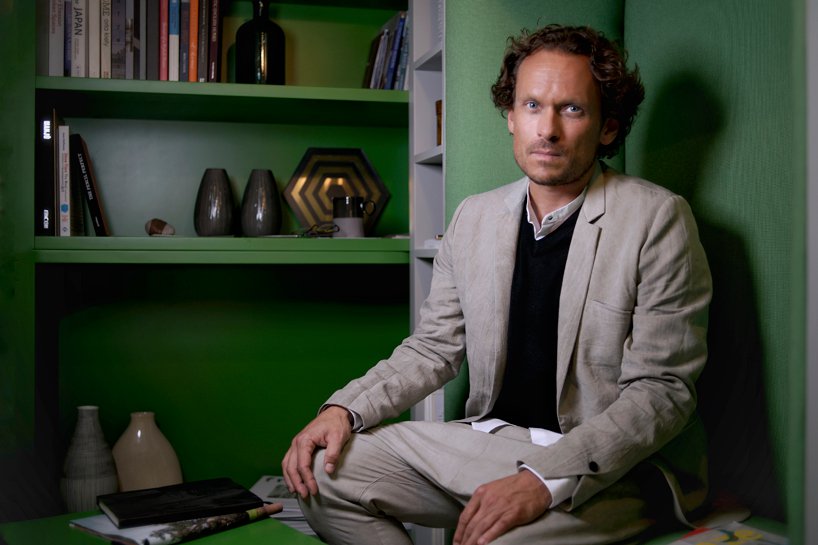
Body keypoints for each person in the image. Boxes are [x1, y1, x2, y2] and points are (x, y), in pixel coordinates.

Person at [282, 24, 712, 545]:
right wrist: (343, 409)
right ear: (511, 115)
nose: (547, 129)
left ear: (608, 128)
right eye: (532, 105)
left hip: (606, 467)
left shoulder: (658, 218)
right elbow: (432, 348)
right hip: (489, 443)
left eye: (572, 109)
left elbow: (662, 392)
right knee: (321, 474)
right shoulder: (474, 216)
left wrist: (543, 479)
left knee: (496, 540)